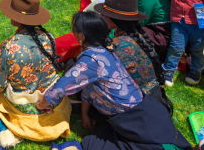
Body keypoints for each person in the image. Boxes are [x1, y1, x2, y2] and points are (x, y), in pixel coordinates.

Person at [37, 11, 190, 150]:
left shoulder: (91, 59)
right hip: (146, 110)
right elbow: (90, 88)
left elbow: (60, 88)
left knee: (93, 144)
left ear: (81, 36)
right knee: (92, 140)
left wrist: (42, 103)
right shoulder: (104, 51)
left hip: (137, 121)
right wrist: (84, 115)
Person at [0, 0, 71, 146]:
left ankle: (7, 128)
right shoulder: (49, 36)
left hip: (23, 103)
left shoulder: (9, 45)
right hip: (51, 99)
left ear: (16, 17)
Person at [94, 0, 169, 106]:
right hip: (154, 97)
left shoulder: (120, 44)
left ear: (114, 19)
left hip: (138, 103)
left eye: (104, 15)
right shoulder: (137, 35)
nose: (101, 17)